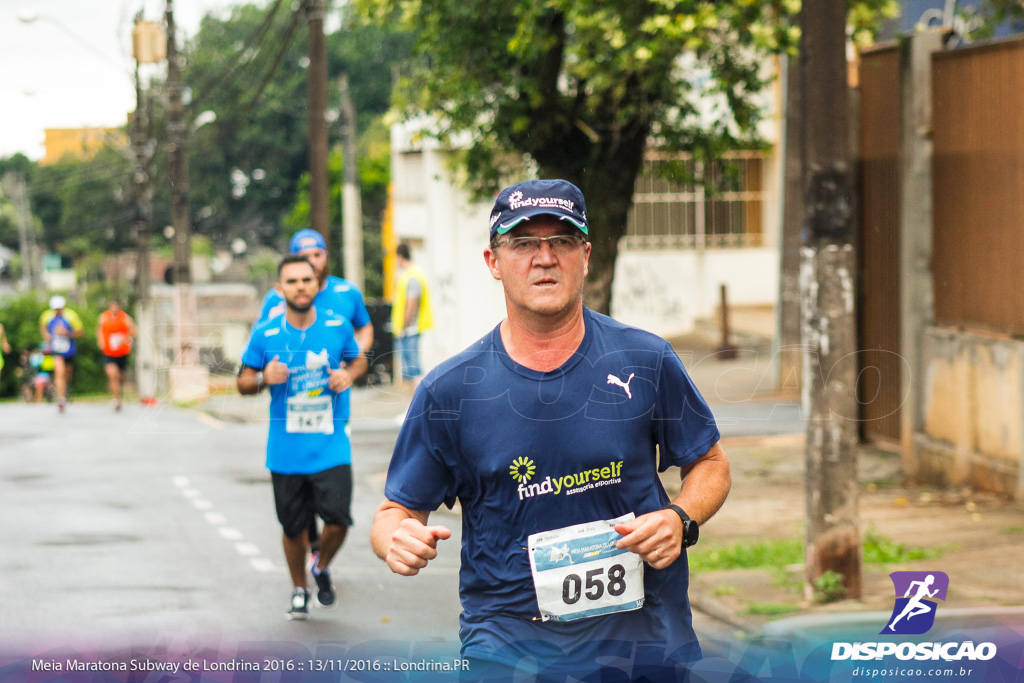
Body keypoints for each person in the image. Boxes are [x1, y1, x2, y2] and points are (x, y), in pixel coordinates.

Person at [370, 179, 731, 680]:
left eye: (561, 242)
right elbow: (394, 512)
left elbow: (710, 463)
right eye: (522, 243)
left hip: (642, 640)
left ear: (584, 255)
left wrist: (680, 518)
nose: (544, 258)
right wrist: (396, 538)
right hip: (508, 646)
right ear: (493, 262)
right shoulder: (449, 391)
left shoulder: (645, 358)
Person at [238, 255, 368, 620]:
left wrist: (348, 375)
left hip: (331, 445)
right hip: (286, 451)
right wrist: (265, 377)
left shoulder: (337, 325)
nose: (300, 287)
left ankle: (321, 566)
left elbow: (358, 361)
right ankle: (299, 589)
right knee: (293, 527)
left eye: (306, 280)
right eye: (292, 281)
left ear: (317, 285)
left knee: (339, 520)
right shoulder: (265, 333)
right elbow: (242, 382)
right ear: (280, 289)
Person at [257, 228, 375, 558]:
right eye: (304, 255)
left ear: (325, 257)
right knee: (298, 505)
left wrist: (353, 360)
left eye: (318, 254)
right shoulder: (274, 299)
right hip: (289, 407)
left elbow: (364, 327)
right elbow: (262, 344)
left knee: (332, 492)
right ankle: (308, 544)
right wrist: (267, 374)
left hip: (334, 409)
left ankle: (320, 561)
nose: (312, 261)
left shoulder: (346, 292)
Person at [391, 243, 433, 389]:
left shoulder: (412, 276)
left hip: (409, 329)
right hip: (409, 329)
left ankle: (420, 398)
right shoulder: (412, 274)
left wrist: (403, 326)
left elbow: (411, 304)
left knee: (413, 368)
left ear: (399, 257)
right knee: (411, 367)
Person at [39, 295, 83, 413]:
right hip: (56, 349)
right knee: (60, 372)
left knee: (67, 374)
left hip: (69, 349)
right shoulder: (47, 315)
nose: (57, 310)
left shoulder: (71, 315)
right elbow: (42, 326)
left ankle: (64, 389)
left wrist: (67, 333)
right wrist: (46, 335)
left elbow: (80, 331)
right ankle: (61, 399)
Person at [97, 299, 137, 411]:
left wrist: (126, 337)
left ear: (120, 308)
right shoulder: (104, 317)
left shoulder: (126, 318)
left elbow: (134, 331)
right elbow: (100, 330)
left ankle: (119, 393)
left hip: (122, 351)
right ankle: (116, 399)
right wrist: (101, 343)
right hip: (109, 351)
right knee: (112, 373)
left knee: (121, 376)